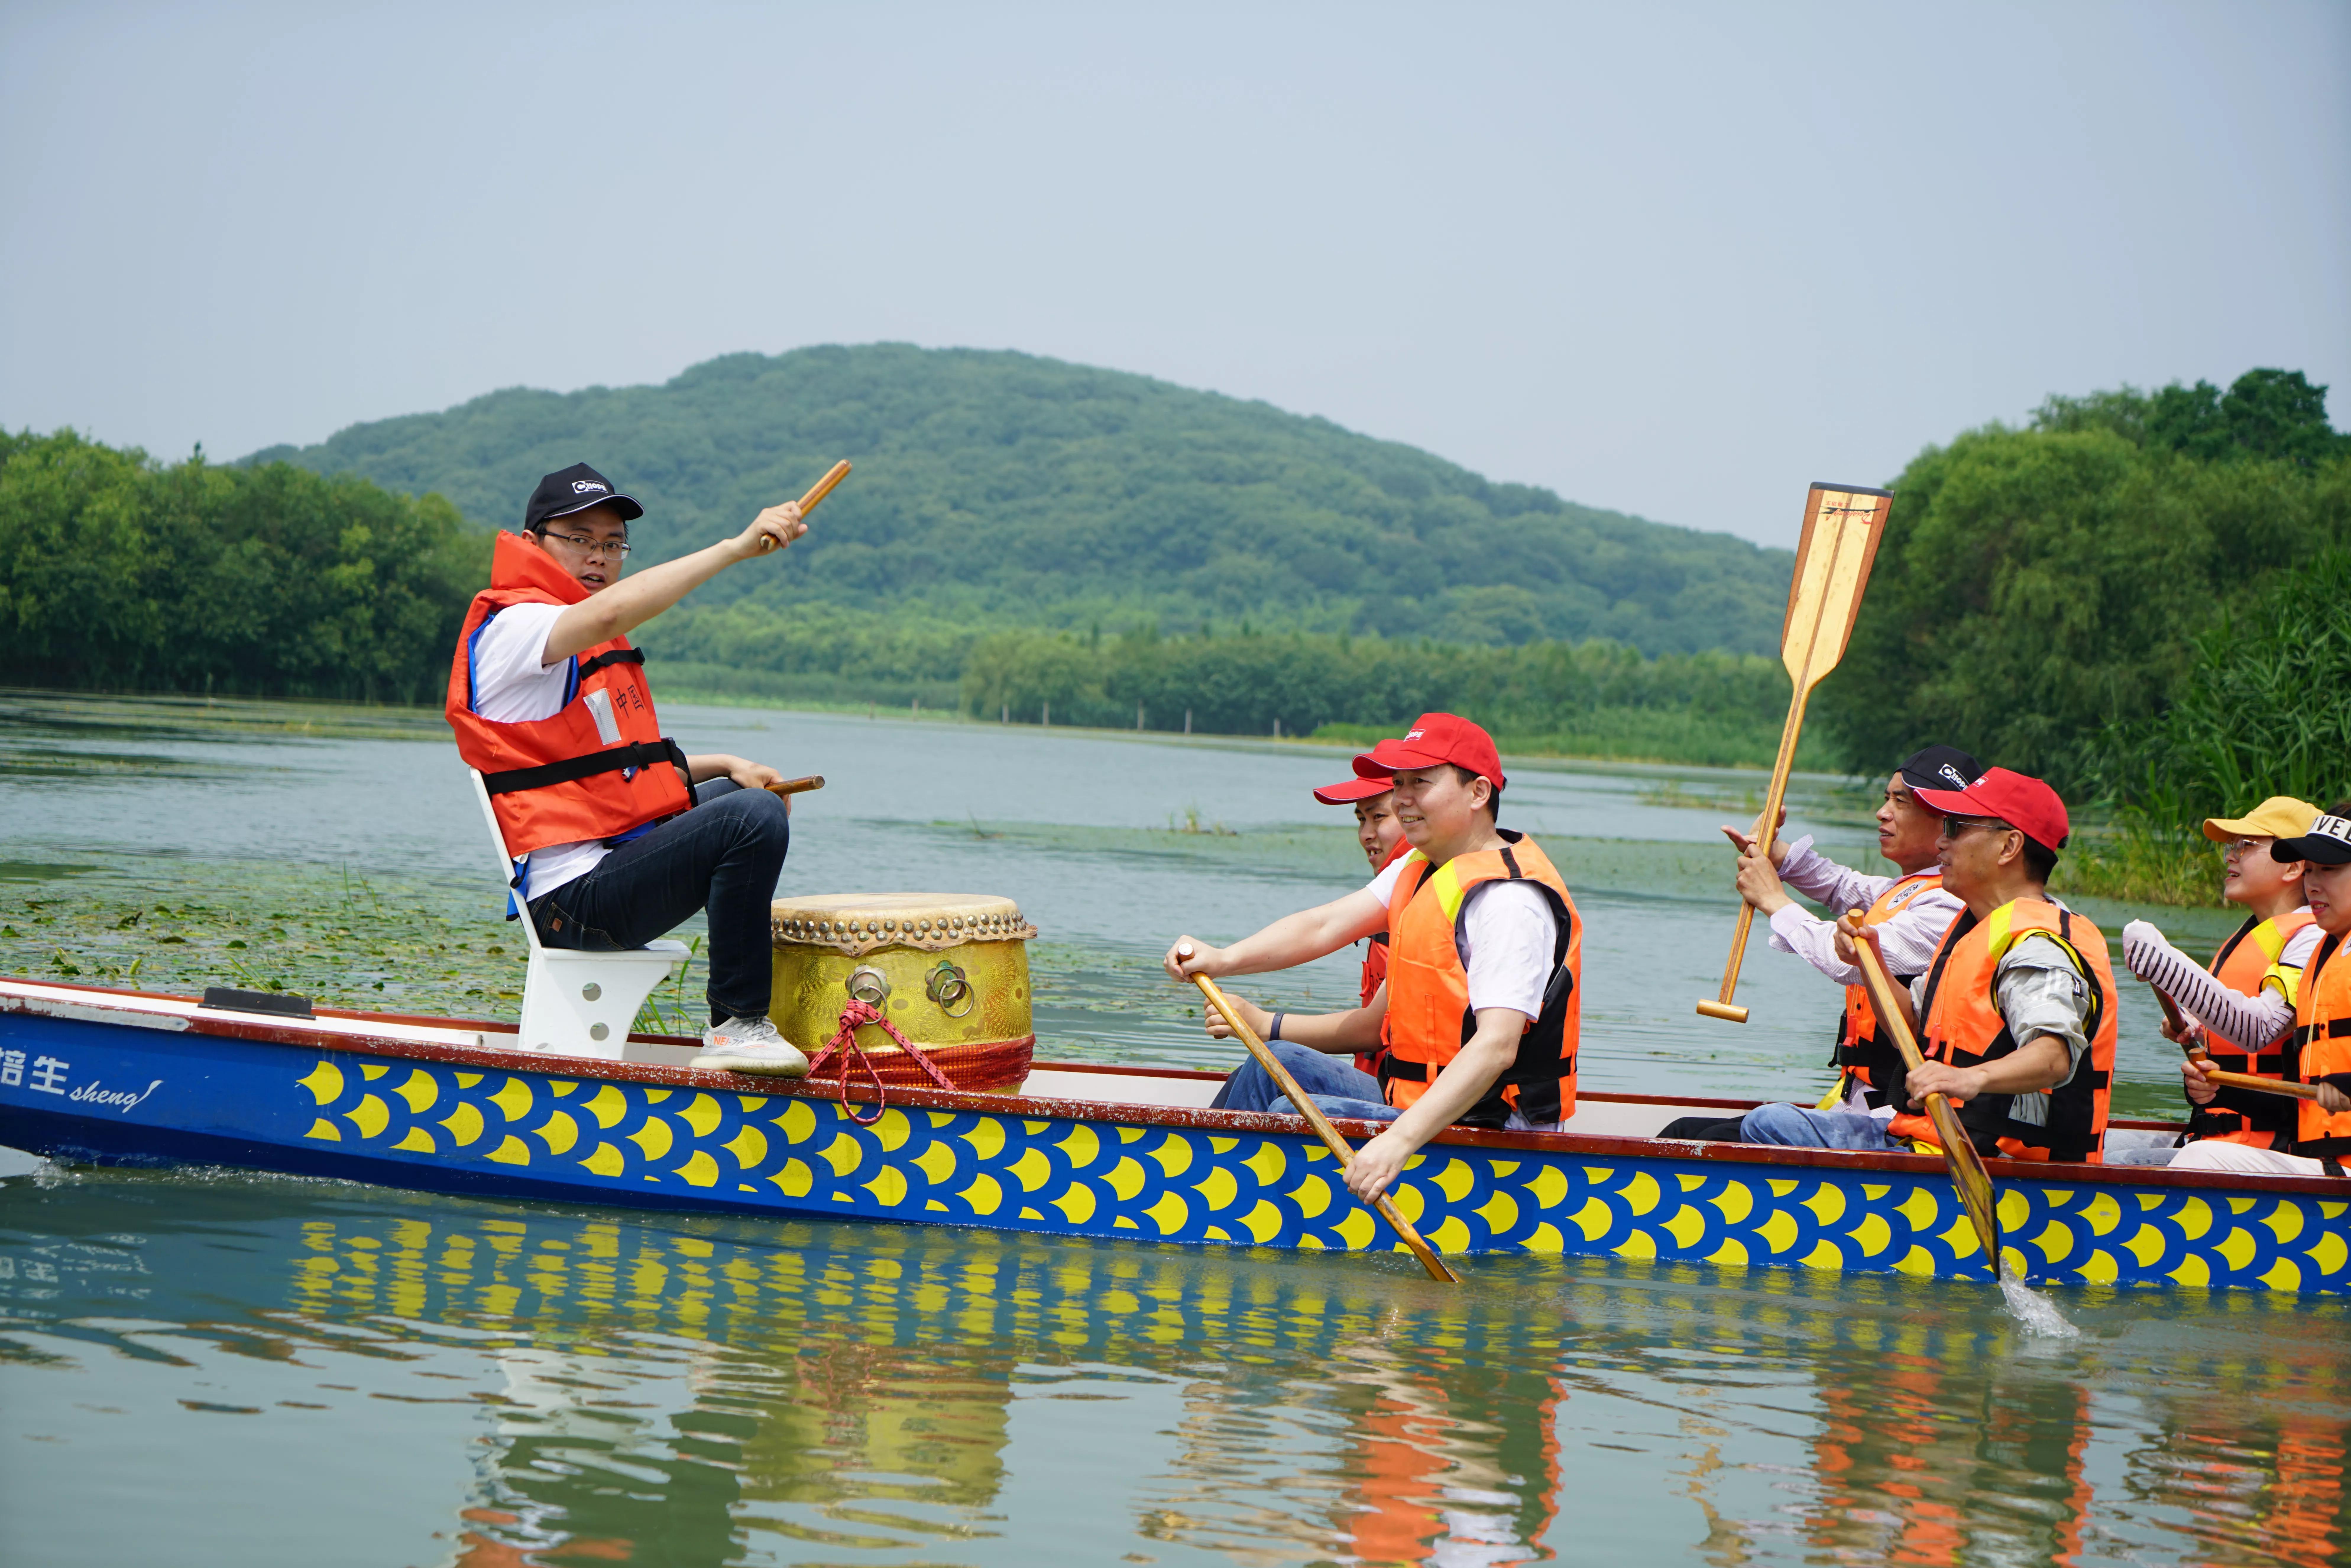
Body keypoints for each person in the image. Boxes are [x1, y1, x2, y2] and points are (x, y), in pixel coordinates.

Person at [446, 462, 815, 1076]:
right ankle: (738, 1027)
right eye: (581, 540)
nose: (599, 557)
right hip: (571, 901)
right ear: (535, 544)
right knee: (749, 819)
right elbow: (612, 614)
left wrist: (726, 763)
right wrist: (733, 549)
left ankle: (745, 1026)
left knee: (751, 797)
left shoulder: (567, 636)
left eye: (612, 544)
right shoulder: (518, 626)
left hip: (603, 875)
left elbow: (612, 773)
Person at [1166, 713, 1581, 1201]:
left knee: (1287, 1111)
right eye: (1398, 783)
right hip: (1410, 1100)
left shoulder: (1508, 901)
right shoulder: (1425, 865)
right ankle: (1196, 1185)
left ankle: (1216, 1209)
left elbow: (1496, 1048)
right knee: (1273, 1061)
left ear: (1478, 792)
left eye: (1420, 783)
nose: (1403, 797)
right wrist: (1222, 958)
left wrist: (1397, 1143)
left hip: (1489, 1127)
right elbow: (1323, 926)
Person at [1741, 768, 2119, 1162]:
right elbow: (1909, 1026)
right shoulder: (1974, 930)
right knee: (1769, 1122)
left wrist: (1970, 1078)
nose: (1941, 841)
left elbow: (2054, 1055)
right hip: (1933, 1138)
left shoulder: (2037, 946)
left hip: (1994, 1161)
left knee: (1769, 1123)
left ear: (2009, 847)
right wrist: (1871, 962)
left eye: (1956, 828)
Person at [1659, 746, 1977, 1143]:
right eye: (1886, 799)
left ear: (1947, 823)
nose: (1883, 813)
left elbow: (1849, 957)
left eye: (1901, 802)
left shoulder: (1950, 905)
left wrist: (1775, 900)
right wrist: (1775, 853)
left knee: (1706, 1132)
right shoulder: (1911, 890)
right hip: (1860, 1105)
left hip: (1897, 1120)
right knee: (1685, 1132)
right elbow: (1843, 886)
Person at [2106, 797, 2323, 1165]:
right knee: (2102, 1141)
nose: (2230, 856)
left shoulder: (2310, 938)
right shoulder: (2250, 936)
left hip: (2270, 1148)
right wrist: (2195, 1027)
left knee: (2110, 1161)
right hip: (2222, 1134)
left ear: (2293, 866)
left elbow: (2259, 1028)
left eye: (2246, 845)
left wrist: (2165, 965)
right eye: (2231, 846)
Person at [2170, 807, 2351, 1179]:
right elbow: (2291, 1112)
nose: (2312, 884)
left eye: (2329, 870)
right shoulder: (2323, 957)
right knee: (2198, 1154)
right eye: (2311, 870)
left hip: (2338, 1171)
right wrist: (2220, 1090)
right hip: (2321, 1163)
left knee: (2198, 1161)